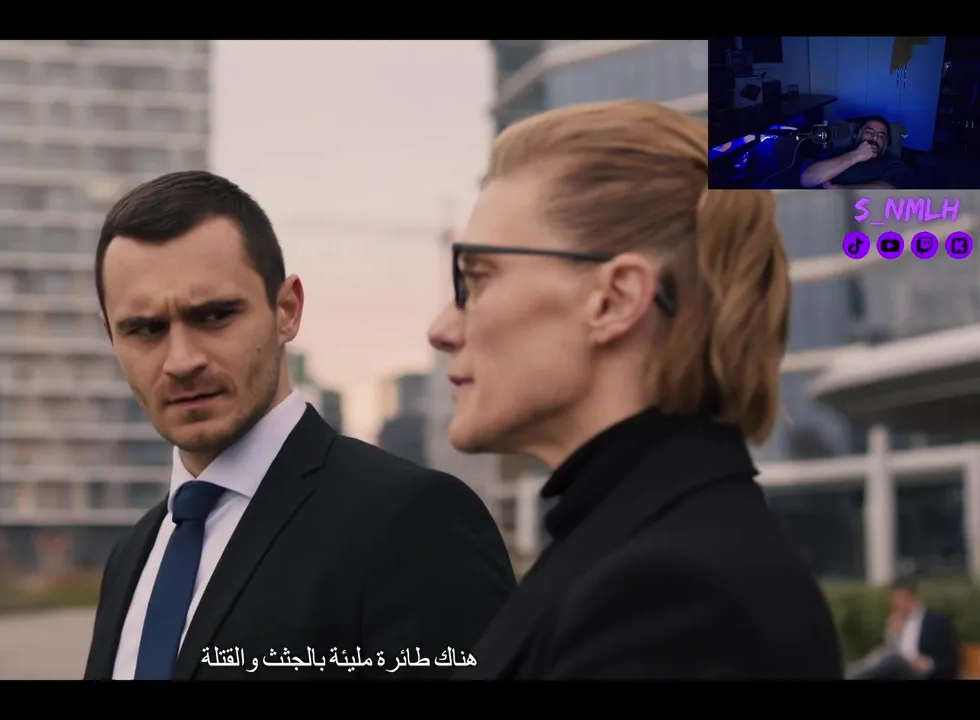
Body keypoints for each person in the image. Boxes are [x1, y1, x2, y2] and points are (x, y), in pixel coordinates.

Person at [427, 99, 844, 680]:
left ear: (616, 300)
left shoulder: (673, 596)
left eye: (476, 278)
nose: (442, 329)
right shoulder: (631, 550)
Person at [82, 170, 515, 681]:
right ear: (111, 337)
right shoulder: (132, 555)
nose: (181, 360)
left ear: (287, 310)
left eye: (215, 316)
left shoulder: (413, 523)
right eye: (145, 329)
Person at [849, 576, 960, 680]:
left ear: (913, 598)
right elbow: (889, 652)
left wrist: (925, 664)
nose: (895, 604)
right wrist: (893, 634)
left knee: (895, 661)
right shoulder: (894, 621)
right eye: (893, 599)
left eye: (899, 598)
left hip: (920, 674)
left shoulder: (938, 622)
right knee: (865, 664)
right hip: (894, 671)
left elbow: (950, 661)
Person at [799, 116, 914, 189]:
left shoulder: (892, 162)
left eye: (880, 136)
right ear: (857, 135)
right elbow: (807, 179)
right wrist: (856, 155)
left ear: (885, 144)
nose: (874, 138)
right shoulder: (839, 155)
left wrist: (841, 190)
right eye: (869, 132)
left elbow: (888, 190)